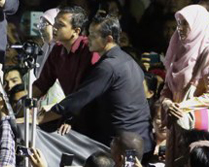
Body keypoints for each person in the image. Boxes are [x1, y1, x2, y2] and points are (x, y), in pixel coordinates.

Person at [39, 14, 152, 149]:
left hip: (124, 145)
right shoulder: (127, 59)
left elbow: (78, 99)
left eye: (93, 35)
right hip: (140, 139)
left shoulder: (109, 66)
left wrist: (38, 119)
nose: (88, 39)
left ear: (108, 39)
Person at [159, 4, 209, 167]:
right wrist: (167, 104)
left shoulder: (208, 51)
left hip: (194, 126)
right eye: (178, 23)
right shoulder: (177, 50)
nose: (179, 29)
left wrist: (182, 106)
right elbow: (166, 90)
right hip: (176, 123)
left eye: (185, 24)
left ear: (198, 24)